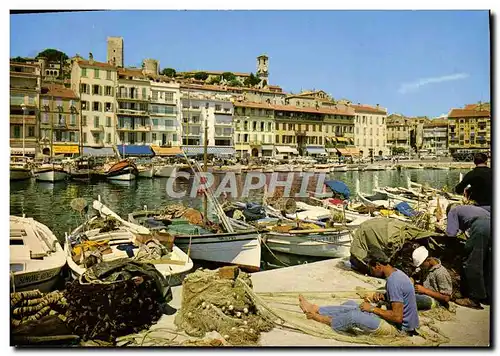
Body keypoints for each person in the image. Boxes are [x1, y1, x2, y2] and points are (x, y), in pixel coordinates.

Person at [298, 251, 419, 335]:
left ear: (378, 266)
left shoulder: (394, 281)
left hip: (399, 329)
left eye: (371, 268)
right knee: (352, 305)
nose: (370, 271)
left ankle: (323, 319)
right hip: (396, 322)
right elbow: (399, 299)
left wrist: (372, 309)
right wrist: (385, 297)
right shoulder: (396, 273)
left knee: (353, 316)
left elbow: (398, 317)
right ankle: (316, 308)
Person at [446, 204, 491, 309]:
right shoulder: (472, 208)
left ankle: (474, 299)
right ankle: (487, 296)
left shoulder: (453, 211)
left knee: (472, 262)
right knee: (488, 263)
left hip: (481, 227)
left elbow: (451, 234)